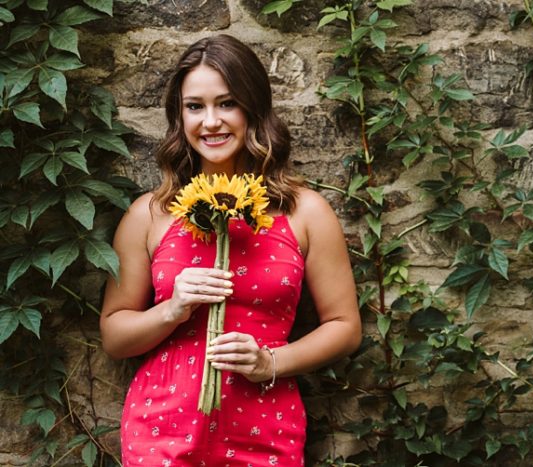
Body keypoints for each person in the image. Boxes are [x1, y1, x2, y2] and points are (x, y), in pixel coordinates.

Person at [100, 34, 362, 465]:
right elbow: (113, 335)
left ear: (253, 108)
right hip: (161, 430)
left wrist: (271, 362)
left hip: (266, 427)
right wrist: (172, 309)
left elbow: (344, 326)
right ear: (179, 116)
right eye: (195, 106)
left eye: (227, 103)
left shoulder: (305, 212)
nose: (211, 122)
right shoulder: (150, 214)